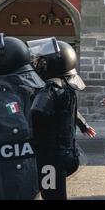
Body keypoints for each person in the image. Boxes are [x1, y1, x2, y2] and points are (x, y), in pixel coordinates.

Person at [0, 34, 45, 199]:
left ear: (4, 63)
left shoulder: (3, 94)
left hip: (4, 177)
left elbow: (17, 130)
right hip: (8, 174)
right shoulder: (17, 86)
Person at [30, 40, 95, 200]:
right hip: (67, 152)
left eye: (41, 62)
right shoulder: (67, 86)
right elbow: (72, 110)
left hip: (49, 158)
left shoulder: (49, 91)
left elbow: (36, 113)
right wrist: (84, 125)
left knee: (51, 195)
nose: (37, 65)